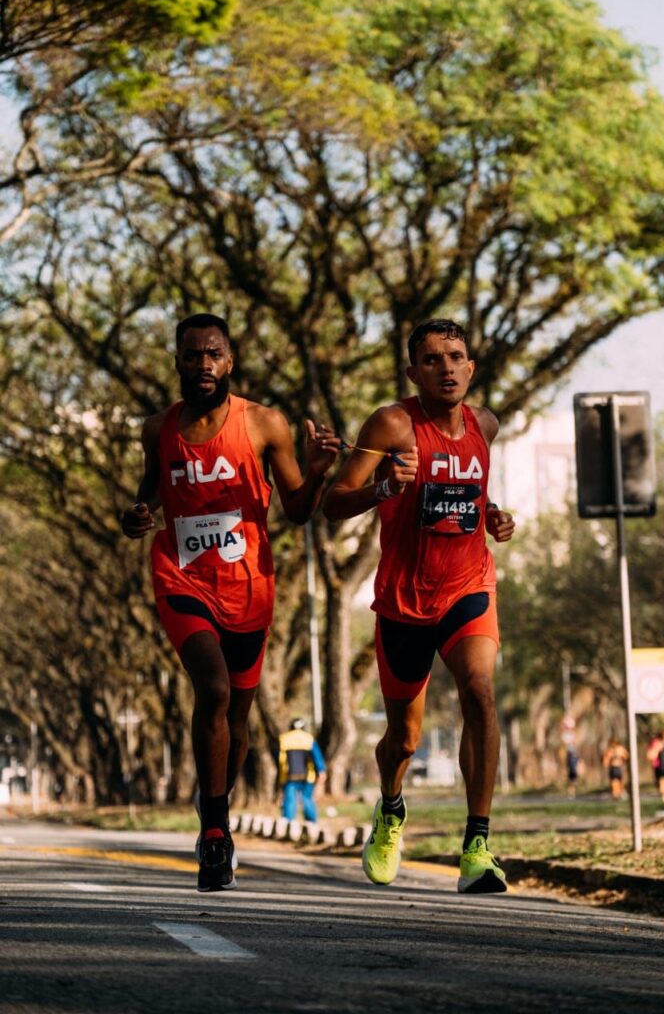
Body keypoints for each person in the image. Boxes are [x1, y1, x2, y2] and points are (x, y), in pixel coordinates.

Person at [121, 313, 339, 892]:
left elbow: (296, 508)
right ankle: (215, 832)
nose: (203, 365)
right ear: (177, 361)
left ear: (230, 359)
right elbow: (150, 490)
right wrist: (137, 514)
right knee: (212, 688)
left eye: (213, 354)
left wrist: (317, 474)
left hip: (249, 588)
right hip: (182, 578)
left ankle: (216, 809)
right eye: (192, 355)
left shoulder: (265, 424)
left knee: (237, 723)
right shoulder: (156, 429)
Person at [323, 317, 515, 894]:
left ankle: (477, 846)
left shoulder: (486, 424)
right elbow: (334, 502)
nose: (446, 367)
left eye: (456, 356)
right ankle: (390, 808)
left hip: (469, 587)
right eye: (432, 359)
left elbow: (468, 494)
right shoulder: (391, 423)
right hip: (405, 602)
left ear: (471, 367)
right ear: (414, 371)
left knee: (479, 692)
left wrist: (493, 516)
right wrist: (384, 487)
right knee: (404, 739)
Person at [277, 717, 327, 822]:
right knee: (307, 798)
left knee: (290, 799)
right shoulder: (309, 738)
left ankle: (288, 822)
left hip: (289, 776)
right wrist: (321, 771)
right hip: (308, 776)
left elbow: (279, 759)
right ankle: (311, 822)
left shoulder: (283, 739)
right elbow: (317, 757)